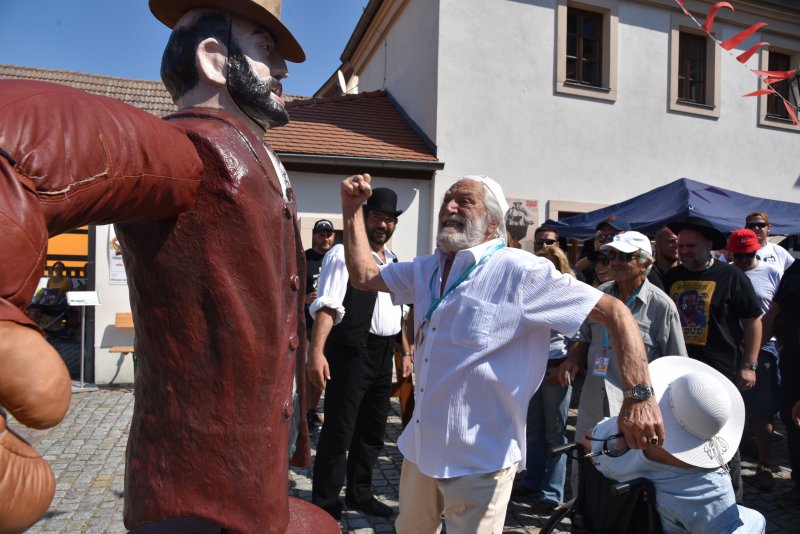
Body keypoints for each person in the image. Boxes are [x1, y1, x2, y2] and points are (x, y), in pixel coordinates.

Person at [338, 173, 663, 531]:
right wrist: (352, 210)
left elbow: (616, 313)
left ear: (492, 222)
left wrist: (639, 397)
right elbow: (364, 275)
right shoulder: (426, 268)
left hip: (482, 459)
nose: (449, 206)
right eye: (447, 199)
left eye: (464, 200)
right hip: (421, 448)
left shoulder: (521, 271)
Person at [562, 231, 687, 493]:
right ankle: (580, 509)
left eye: (625, 256)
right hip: (593, 396)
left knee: (626, 469)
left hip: (631, 404)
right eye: (611, 255)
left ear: (646, 263)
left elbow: (677, 363)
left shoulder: (661, 306)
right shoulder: (600, 294)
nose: (615, 262)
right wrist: (573, 357)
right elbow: (585, 335)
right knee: (584, 461)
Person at [307, 188, 406, 520]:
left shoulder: (393, 261)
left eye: (389, 219)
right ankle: (324, 503)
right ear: (363, 218)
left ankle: (360, 494)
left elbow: (402, 312)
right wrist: (316, 352)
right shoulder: (341, 253)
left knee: (372, 431)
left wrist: (405, 353)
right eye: (377, 217)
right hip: (352, 351)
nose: (383, 224)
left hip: (383, 354)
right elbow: (327, 305)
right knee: (339, 430)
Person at [585, 356, 766, 534]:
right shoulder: (711, 490)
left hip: (614, 521)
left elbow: (587, 440)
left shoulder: (622, 436)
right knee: (757, 519)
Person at [663, 216, 762, 503]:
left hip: (720, 371)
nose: (684, 251)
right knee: (680, 433)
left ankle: (731, 501)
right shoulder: (669, 278)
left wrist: (749, 365)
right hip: (676, 370)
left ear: (709, 246)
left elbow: (753, 321)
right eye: (681, 246)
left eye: (691, 246)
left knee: (722, 438)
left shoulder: (731, 277)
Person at [514, 245, 576, 512]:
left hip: (556, 367)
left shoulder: (568, 293)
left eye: (552, 263)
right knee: (534, 430)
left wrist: (565, 366)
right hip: (532, 368)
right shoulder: (528, 292)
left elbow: (578, 336)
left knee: (556, 434)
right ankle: (532, 480)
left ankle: (552, 492)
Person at [727, 229, 782, 491]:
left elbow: (777, 311)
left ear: (756, 251)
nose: (742, 261)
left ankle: (764, 464)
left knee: (763, 409)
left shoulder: (772, 273)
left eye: (747, 256)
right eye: (737, 256)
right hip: (731, 347)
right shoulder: (726, 273)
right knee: (730, 407)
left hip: (764, 347)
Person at [762, 259, 800, 504]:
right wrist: (750, 357)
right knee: (792, 423)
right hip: (791, 363)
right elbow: (774, 311)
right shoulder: (795, 270)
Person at [305, 219, 336, 430]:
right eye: (321, 234)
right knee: (310, 370)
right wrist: (305, 298)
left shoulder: (337, 259)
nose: (325, 238)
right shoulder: (305, 258)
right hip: (308, 325)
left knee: (326, 372)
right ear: (314, 235)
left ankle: (312, 410)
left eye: (328, 234)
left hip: (333, 325)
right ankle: (305, 411)